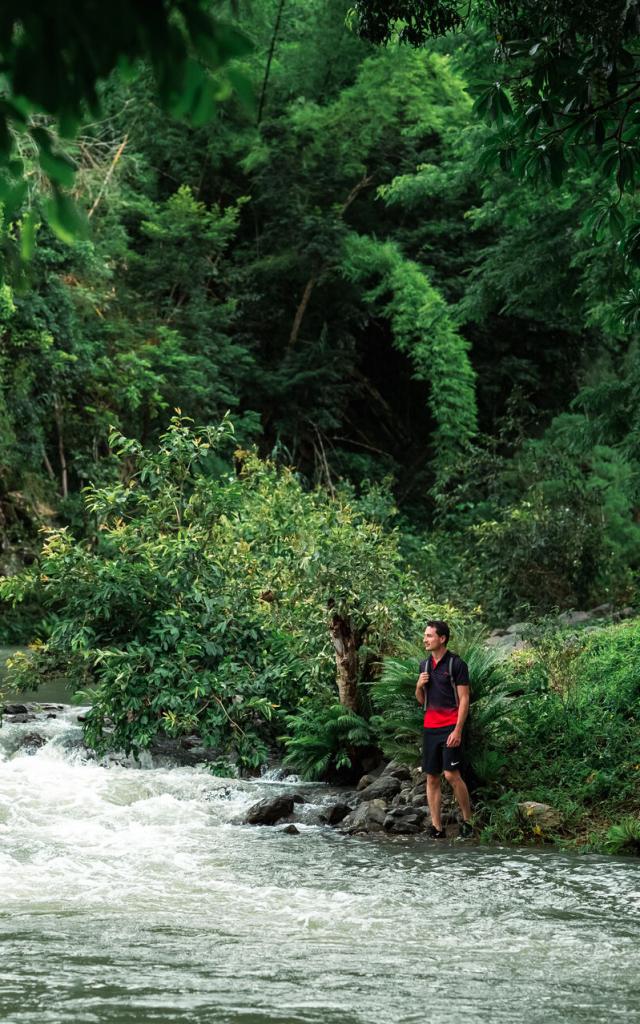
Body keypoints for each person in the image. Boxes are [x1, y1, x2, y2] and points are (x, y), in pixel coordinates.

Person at [415, 620, 473, 839]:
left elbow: (465, 699)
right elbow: (421, 701)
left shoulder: (456, 665)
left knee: (451, 774)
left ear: (442, 638)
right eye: (425, 635)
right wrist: (418, 685)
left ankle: (469, 821)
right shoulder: (424, 666)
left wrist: (458, 730)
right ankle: (437, 827)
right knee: (432, 778)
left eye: (429, 636)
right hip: (430, 727)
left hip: (450, 726)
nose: (425, 639)